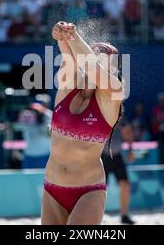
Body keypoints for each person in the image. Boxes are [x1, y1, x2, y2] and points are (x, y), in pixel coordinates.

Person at [41, 21, 124, 225]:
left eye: (103, 65)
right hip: (52, 187)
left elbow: (91, 67)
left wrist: (73, 36)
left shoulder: (114, 93)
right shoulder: (68, 86)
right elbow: (69, 58)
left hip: (88, 191)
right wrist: (62, 35)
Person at [101, 118, 136, 224]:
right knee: (99, 190)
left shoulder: (121, 118)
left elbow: (129, 134)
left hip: (117, 157)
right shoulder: (100, 115)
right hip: (102, 157)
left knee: (125, 186)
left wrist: (131, 150)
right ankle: (98, 217)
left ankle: (124, 215)